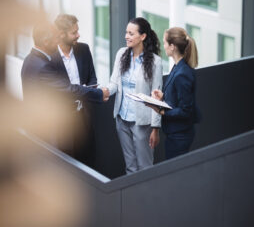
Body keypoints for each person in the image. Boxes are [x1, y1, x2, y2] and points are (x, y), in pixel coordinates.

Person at [21, 21, 109, 146]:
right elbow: (69, 89)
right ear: (46, 42)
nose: (58, 43)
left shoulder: (30, 59)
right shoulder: (43, 67)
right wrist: (99, 93)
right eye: (56, 39)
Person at [106, 17, 163, 174]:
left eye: (131, 33)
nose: (126, 36)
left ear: (142, 36)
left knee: (145, 167)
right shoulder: (121, 54)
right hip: (121, 119)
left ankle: (148, 198)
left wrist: (155, 128)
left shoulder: (155, 62)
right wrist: (104, 92)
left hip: (141, 123)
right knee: (130, 166)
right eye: (126, 32)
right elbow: (114, 84)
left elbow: (156, 98)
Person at [51, 14, 102, 165]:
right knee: (66, 165)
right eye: (74, 33)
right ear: (61, 34)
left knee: (87, 161)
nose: (78, 35)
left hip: (83, 116)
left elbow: (92, 79)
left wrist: (91, 89)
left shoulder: (84, 49)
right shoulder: (50, 57)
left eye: (77, 31)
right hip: (61, 120)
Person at [148, 27, 200, 160]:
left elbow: (185, 110)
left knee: (175, 174)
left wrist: (162, 112)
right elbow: (177, 96)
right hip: (175, 133)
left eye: (165, 42)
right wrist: (163, 96)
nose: (163, 46)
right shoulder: (178, 67)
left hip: (180, 135)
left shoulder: (182, 73)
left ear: (172, 46)